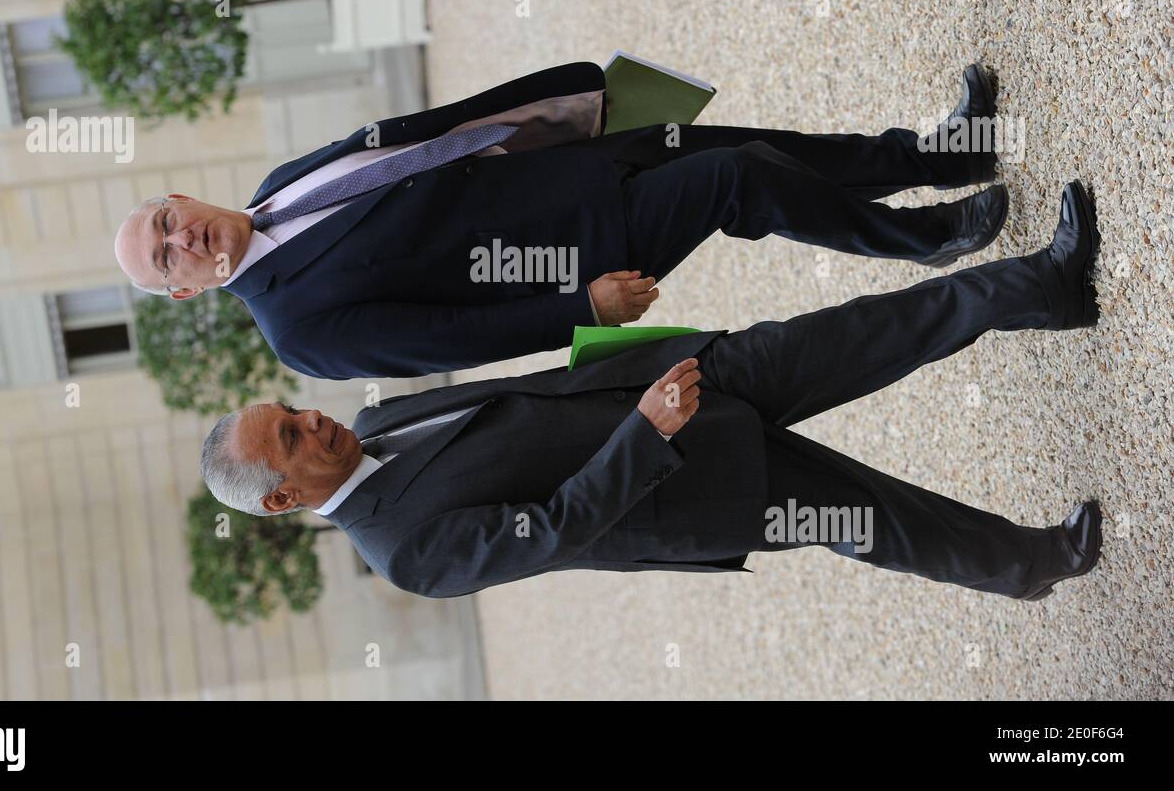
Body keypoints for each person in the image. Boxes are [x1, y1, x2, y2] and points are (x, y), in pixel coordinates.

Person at [199, 181, 1103, 602]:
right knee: (879, 521)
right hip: (689, 486)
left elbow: (523, 392)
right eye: (290, 438)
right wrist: (645, 430)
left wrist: (615, 352)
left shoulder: (374, 415)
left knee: (869, 330)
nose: (310, 417)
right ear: (283, 497)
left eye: (290, 409)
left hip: (682, 375)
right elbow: (551, 529)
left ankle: (1045, 288)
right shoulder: (403, 552)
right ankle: (1036, 563)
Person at [115, 62, 1005, 379]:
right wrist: (581, 309)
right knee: (740, 181)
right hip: (575, 253)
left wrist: (557, 114)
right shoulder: (297, 333)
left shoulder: (278, 183)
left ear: (181, 194)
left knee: (763, 150)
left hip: (568, 166)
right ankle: (932, 237)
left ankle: (938, 157)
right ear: (187, 291)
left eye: (167, 219)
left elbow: (422, 145)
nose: (179, 238)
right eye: (166, 259)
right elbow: (451, 341)